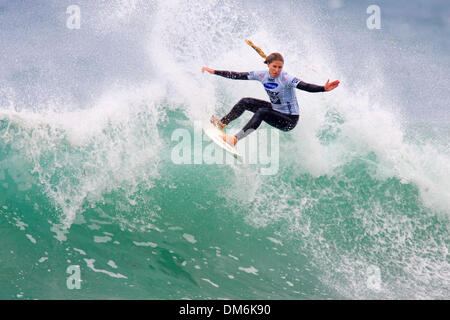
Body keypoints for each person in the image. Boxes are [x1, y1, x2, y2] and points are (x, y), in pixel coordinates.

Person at [201, 52, 340, 146]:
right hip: (276, 110)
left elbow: (306, 86)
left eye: (280, 67)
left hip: (289, 120)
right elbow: (238, 75)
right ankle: (222, 123)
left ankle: (235, 139)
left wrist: (323, 88)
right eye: (274, 66)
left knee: (261, 112)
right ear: (268, 65)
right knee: (245, 102)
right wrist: (214, 71)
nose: (277, 70)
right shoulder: (261, 75)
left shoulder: (286, 78)